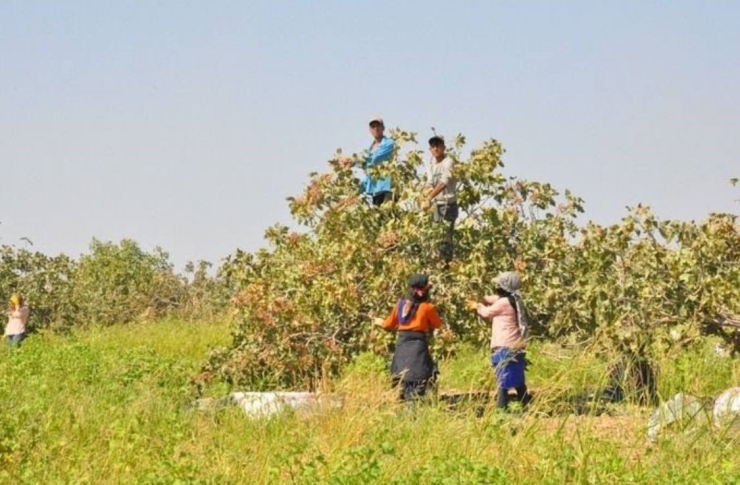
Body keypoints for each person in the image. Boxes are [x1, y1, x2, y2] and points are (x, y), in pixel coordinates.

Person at [374, 274, 443, 401]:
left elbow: (388, 324)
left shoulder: (399, 305)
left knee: (404, 378)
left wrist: (379, 322)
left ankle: (405, 405)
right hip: (418, 347)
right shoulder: (428, 307)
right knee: (420, 377)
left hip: (402, 345)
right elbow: (437, 324)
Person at [468, 271, 530, 410]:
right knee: (518, 379)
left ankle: (501, 410)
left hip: (504, 345)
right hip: (516, 345)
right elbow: (493, 298)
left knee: (503, 380)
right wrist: (481, 297)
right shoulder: (514, 299)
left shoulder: (503, 303)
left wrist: (477, 305)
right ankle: (526, 406)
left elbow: (486, 312)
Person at [422, 135, 457, 264]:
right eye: (433, 146)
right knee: (437, 237)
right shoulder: (431, 165)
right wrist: (426, 194)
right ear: (430, 149)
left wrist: (430, 197)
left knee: (446, 239)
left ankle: (446, 265)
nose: (435, 148)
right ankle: (439, 263)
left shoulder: (449, 162)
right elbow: (430, 182)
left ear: (443, 147)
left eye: (438, 145)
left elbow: (444, 182)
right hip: (438, 205)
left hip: (449, 205)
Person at [361, 116, 396, 206]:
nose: (376, 128)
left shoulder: (389, 143)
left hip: (387, 188)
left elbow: (375, 159)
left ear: (383, 128)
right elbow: (368, 170)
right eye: (373, 126)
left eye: (378, 126)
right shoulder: (370, 149)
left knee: (388, 216)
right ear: (370, 130)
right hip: (376, 191)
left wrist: (355, 162)